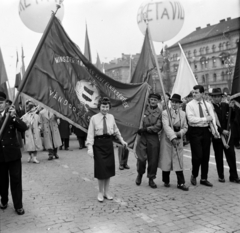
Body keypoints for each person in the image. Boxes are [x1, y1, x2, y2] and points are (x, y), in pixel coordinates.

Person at [86, 97, 127, 202]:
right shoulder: (94, 118)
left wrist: (122, 141)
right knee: (101, 170)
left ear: (109, 107)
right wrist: (90, 148)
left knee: (108, 169)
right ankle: (100, 192)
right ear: (99, 107)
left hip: (108, 144)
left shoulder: (111, 117)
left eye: (107, 107)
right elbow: (90, 134)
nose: (105, 109)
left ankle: (106, 192)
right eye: (103, 106)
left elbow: (116, 131)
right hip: (98, 145)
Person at [0, 92, 28, 215]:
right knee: (1, 181)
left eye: (1, 102)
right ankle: (4, 200)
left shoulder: (10, 115)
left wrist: (14, 117)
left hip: (13, 154)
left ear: (5, 103)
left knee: (16, 180)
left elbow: (24, 127)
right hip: (0, 155)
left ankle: (18, 205)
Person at [186, 85, 218, 187]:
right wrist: (205, 119)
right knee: (197, 156)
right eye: (193, 92)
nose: (194, 94)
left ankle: (204, 178)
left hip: (205, 131)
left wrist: (215, 132)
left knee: (205, 156)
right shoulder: (189, 105)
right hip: (195, 131)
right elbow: (191, 119)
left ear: (202, 94)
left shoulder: (207, 104)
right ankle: (194, 174)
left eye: (197, 92)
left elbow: (212, 118)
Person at [158, 94, 189, 191]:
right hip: (167, 140)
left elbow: (185, 127)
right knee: (166, 160)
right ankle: (166, 180)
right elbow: (166, 127)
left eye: (176, 102)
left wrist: (179, 133)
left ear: (180, 104)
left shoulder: (183, 114)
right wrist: (173, 137)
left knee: (178, 162)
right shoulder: (165, 113)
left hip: (178, 140)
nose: (174, 104)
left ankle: (181, 183)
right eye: (173, 102)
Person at [210, 88, 240, 183]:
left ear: (221, 97)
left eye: (218, 96)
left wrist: (233, 108)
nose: (216, 98)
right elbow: (212, 122)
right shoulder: (210, 108)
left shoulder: (226, 105)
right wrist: (222, 131)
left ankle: (234, 176)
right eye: (215, 96)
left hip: (228, 135)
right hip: (218, 135)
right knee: (219, 157)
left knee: (231, 156)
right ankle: (221, 176)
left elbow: (233, 117)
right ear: (212, 97)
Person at [135, 93, 162, 188]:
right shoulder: (143, 109)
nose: (153, 101)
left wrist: (147, 129)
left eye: (155, 100)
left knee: (153, 159)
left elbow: (158, 126)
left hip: (153, 137)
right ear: (149, 100)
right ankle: (140, 174)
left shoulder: (160, 113)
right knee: (141, 158)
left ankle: (151, 178)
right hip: (142, 137)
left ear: (158, 101)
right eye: (151, 99)